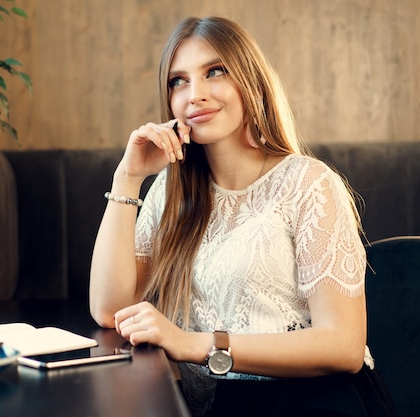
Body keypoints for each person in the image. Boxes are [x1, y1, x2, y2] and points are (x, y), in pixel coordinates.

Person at [89, 16, 397, 417]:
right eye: (177, 81)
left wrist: (195, 343)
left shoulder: (309, 183)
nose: (194, 94)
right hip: (221, 406)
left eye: (214, 72)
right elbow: (110, 310)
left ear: (249, 81)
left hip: (314, 402)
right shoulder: (171, 190)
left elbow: (344, 346)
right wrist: (127, 179)